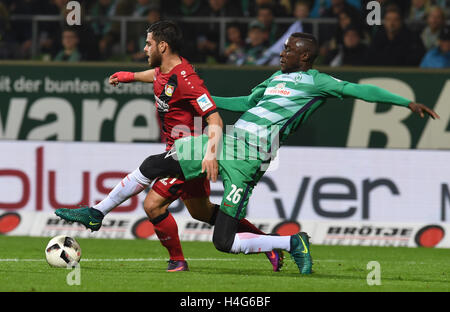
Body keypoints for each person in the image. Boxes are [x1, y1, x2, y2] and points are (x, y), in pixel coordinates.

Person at [80, 32, 439, 275]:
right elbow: (242, 103)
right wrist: (203, 102)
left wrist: (405, 102)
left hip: (253, 156)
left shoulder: (318, 82)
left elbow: (362, 90)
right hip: (232, 139)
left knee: (223, 241)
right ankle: (97, 213)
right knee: (154, 163)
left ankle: (290, 242)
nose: (282, 53)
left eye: (289, 50)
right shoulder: (271, 80)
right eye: (283, 49)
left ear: (305, 56)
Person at [55, 21, 283, 273]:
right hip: (176, 150)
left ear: (162, 46)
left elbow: (215, 119)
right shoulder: (164, 70)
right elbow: (156, 76)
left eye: (149, 43)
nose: (144, 48)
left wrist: (209, 154)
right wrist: (129, 76)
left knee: (152, 203)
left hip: (188, 155)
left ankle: (101, 215)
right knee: (201, 212)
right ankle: (268, 243)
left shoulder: (188, 79)